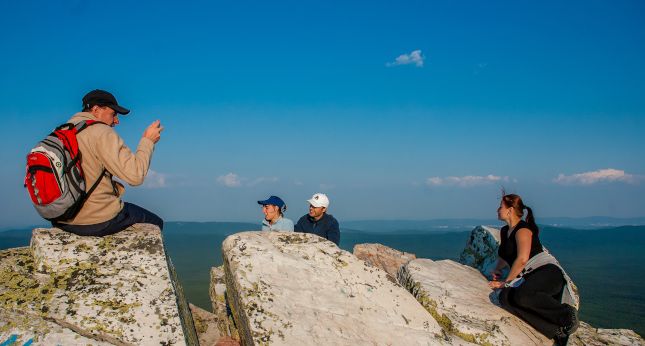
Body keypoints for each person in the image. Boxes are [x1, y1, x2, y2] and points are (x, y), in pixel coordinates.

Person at [53, 89, 164, 236]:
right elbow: (135, 175)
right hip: (96, 219)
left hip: (62, 218)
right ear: (96, 110)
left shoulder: (61, 132)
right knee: (156, 223)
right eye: (113, 114)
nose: (116, 121)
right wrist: (147, 141)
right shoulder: (100, 131)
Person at [488, 192, 579, 345]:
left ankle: (567, 315)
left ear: (510, 210)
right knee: (505, 298)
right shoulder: (505, 231)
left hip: (547, 272)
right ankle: (555, 331)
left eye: (500, 207)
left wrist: (507, 282)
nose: (497, 210)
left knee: (522, 296)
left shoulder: (523, 229)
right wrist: (497, 269)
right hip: (528, 277)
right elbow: (505, 255)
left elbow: (522, 258)